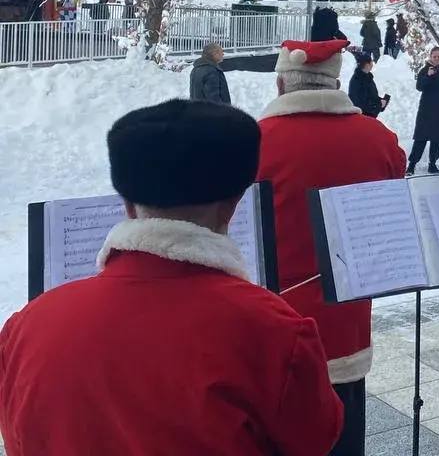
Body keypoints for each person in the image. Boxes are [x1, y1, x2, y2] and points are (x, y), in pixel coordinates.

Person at [0, 100, 342, 456]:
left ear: (128, 205)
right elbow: (316, 438)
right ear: (234, 204)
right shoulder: (274, 330)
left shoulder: (25, 328)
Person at [256, 39, 406, 456]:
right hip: (347, 321)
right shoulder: (377, 138)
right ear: (336, 82)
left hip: (273, 322)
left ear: (281, 85)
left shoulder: (253, 140)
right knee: (343, 430)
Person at [411, 47, 439, 175]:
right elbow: (419, 87)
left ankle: (432, 164)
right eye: (434, 57)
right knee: (420, 138)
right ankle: (412, 164)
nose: (437, 59)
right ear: (430, 57)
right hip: (426, 109)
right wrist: (428, 76)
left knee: (437, 139)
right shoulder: (425, 70)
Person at [348, 50, 389, 118]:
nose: (372, 63)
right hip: (362, 119)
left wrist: (380, 101)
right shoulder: (358, 81)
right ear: (367, 65)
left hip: (368, 117)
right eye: (371, 62)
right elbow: (361, 104)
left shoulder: (367, 77)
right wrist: (379, 104)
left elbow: (371, 96)